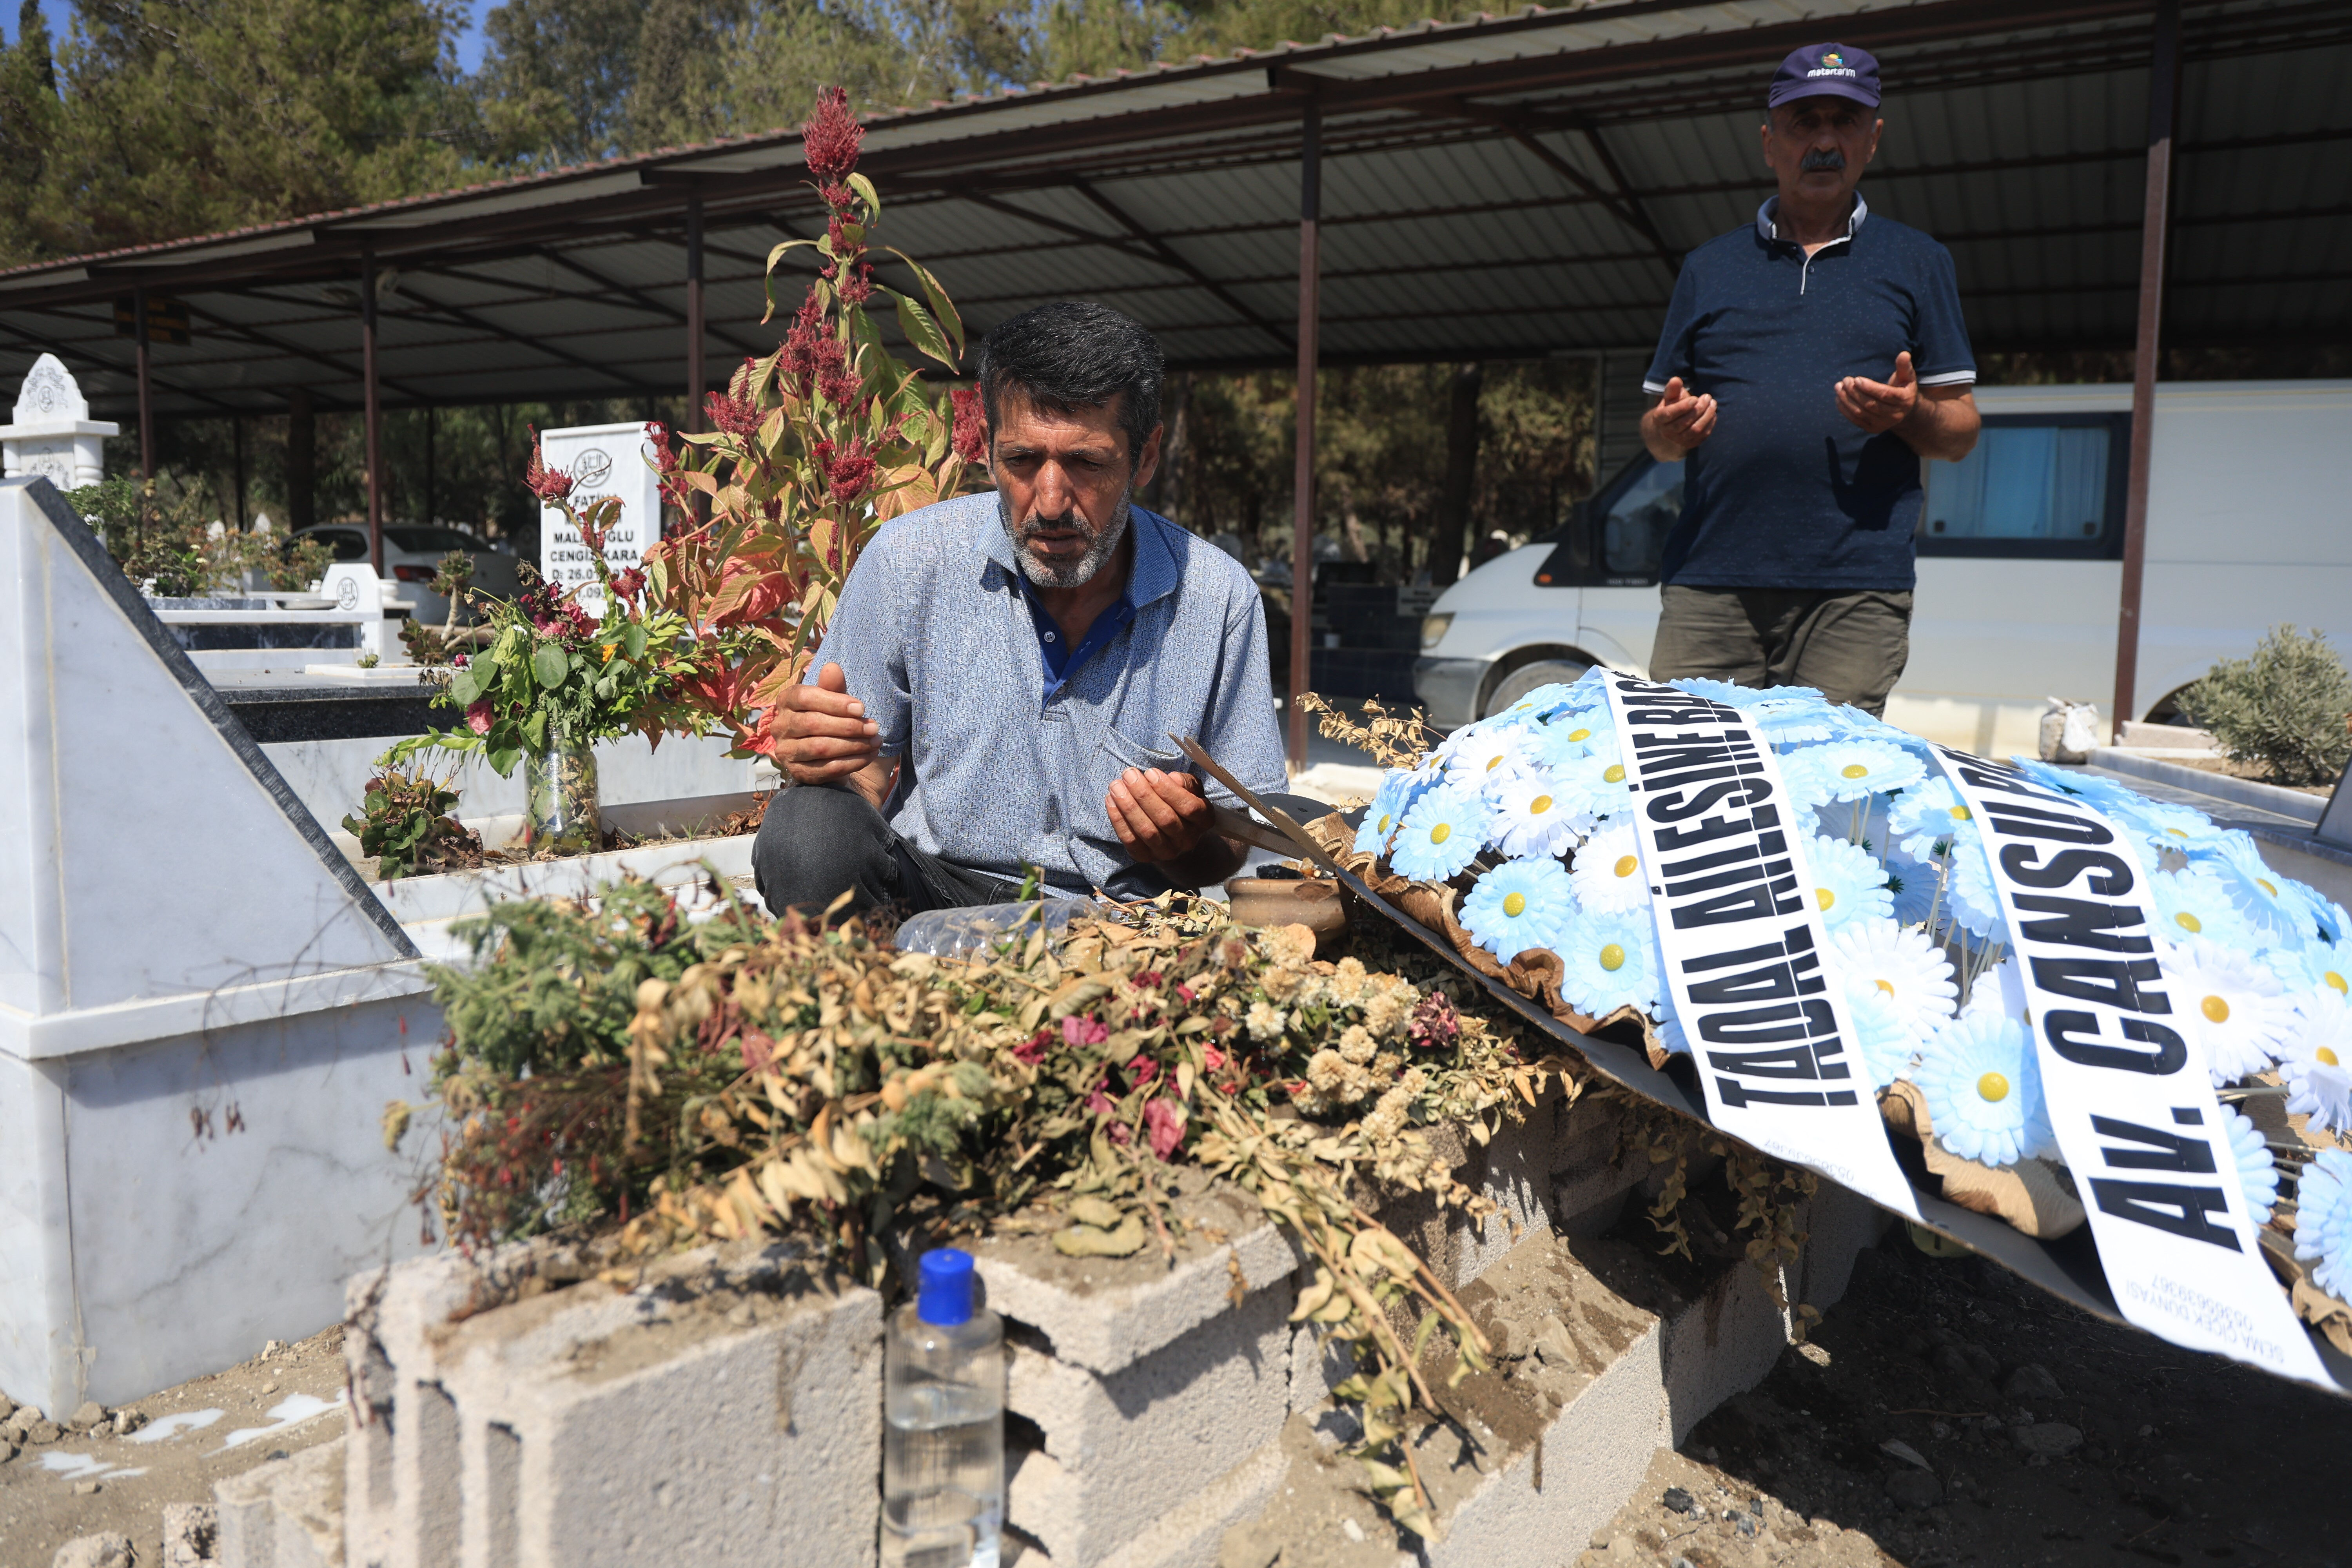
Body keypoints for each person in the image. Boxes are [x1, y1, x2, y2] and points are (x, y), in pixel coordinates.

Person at [751, 300, 1287, 918]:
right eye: (1023, 461)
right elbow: (866, 782)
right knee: (805, 830)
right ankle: (859, 1006)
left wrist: (1181, 844)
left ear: (1145, 456)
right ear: (988, 451)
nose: (1051, 500)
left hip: (1122, 920)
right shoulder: (909, 560)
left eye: (1086, 463)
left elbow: (1234, 846)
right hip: (933, 897)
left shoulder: (1217, 599)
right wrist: (820, 759)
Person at [1638, 42, 1980, 715]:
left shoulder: (1918, 263)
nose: (1824, 141)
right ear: (1770, 143)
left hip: (1854, 593)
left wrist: (1908, 415)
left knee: (1826, 792)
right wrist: (1669, 428)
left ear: (1872, 139)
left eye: (1844, 122)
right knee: (1688, 778)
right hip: (1710, 588)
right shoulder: (1709, 267)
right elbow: (1655, 436)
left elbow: (1960, 431)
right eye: (1804, 123)